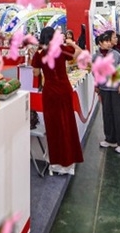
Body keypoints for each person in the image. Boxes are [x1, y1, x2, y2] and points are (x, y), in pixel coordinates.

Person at [31, 27, 84, 175]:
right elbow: (79, 52)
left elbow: (35, 73)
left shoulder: (39, 53)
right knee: (67, 122)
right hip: (64, 89)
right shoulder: (61, 49)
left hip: (50, 92)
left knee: (53, 125)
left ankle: (55, 162)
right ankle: (69, 161)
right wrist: (71, 43)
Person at [94, 31, 120, 154]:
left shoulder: (116, 54)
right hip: (104, 90)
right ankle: (110, 139)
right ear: (100, 43)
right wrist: (97, 85)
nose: (109, 43)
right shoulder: (96, 56)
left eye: (109, 41)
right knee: (107, 115)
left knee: (119, 116)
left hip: (117, 89)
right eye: (106, 41)